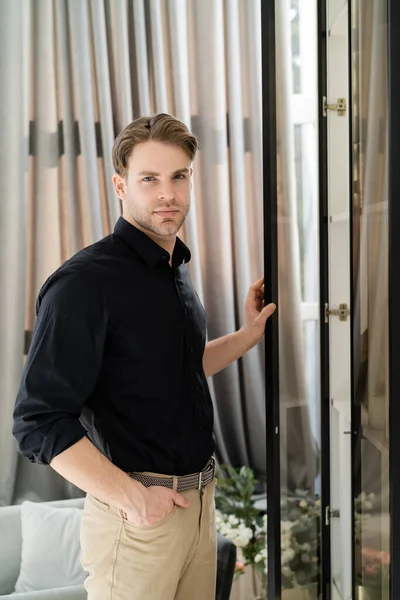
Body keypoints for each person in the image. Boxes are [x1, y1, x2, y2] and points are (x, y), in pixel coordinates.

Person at [13, 113, 276, 600]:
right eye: (149, 179)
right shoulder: (84, 284)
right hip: (137, 523)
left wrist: (246, 336)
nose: (167, 194)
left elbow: (178, 370)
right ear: (120, 185)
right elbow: (38, 421)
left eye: (179, 176)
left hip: (197, 509)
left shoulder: (172, 270)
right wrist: (134, 501)